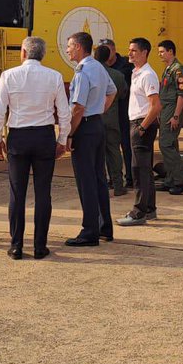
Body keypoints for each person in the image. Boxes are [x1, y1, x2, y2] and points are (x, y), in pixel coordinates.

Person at [0, 37, 70, 260]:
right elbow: (63, 112)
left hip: (19, 136)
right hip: (44, 136)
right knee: (43, 193)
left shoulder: (9, 75)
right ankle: (39, 246)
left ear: (23, 53)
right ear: (42, 55)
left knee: (17, 193)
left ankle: (16, 245)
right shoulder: (54, 76)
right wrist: (62, 139)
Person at [64, 31, 117, 247]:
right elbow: (112, 92)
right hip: (96, 125)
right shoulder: (98, 68)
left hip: (84, 129)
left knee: (86, 181)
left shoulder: (82, 72)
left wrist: (69, 134)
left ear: (78, 47)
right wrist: (100, 111)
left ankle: (89, 231)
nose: (67, 50)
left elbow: (78, 108)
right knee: (98, 178)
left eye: (69, 46)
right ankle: (105, 227)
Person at [118, 37, 160, 226]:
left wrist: (142, 127)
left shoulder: (147, 75)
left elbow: (155, 106)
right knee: (145, 169)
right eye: (129, 50)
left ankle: (139, 212)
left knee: (139, 169)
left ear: (144, 53)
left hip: (141, 124)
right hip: (137, 123)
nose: (130, 53)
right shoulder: (137, 73)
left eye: (134, 50)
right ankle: (149, 208)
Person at [155, 40, 183, 195]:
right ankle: (171, 179)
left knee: (165, 144)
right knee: (171, 145)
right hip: (166, 110)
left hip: (172, 110)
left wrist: (176, 115)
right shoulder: (169, 69)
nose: (160, 54)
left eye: (162, 51)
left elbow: (182, 94)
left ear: (170, 51)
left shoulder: (178, 70)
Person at [100, 38, 134, 190]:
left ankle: (127, 178)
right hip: (111, 114)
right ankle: (116, 182)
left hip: (119, 113)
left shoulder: (125, 67)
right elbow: (121, 91)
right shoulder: (115, 73)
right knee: (112, 149)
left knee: (124, 146)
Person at [95, 44, 127, 198]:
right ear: (109, 57)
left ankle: (100, 185)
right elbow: (122, 95)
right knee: (114, 151)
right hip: (112, 118)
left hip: (93, 120)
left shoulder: (87, 73)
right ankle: (118, 185)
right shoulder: (118, 75)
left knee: (96, 154)